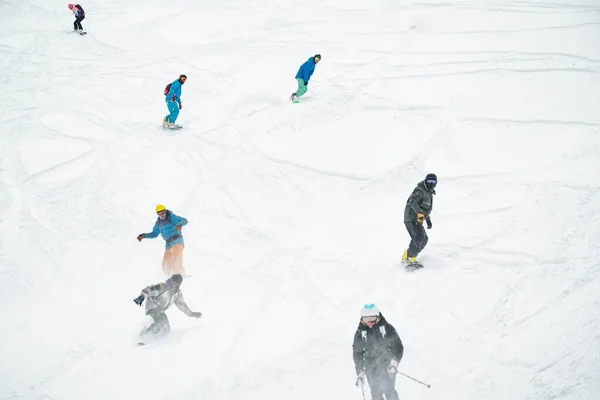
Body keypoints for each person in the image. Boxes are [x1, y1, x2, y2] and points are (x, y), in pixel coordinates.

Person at [353, 304, 404, 400]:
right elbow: (357, 353)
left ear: (378, 317)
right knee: (376, 394)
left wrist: (394, 362)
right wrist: (360, 371)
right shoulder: (360, 333)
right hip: (370, 369)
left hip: (387, 366)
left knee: (389, 391)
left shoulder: (387, 328)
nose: (369, 322)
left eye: (372, 318)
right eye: (366, 319)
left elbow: (398, 346)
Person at [133, 274, 202, 339]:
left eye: (179, 282)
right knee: (162, 321)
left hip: (160, 310)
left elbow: (181, 304)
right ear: (172, 280)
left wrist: (191, 313)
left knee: (166, 328)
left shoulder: (177, 293)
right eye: (176, 282)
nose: (178, 284)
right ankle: (143, 336)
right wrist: (142, 296)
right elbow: (149, 289)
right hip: (152, 306)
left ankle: (155, 339)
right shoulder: (163, 286)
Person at [137, 205, 188, 276]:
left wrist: (179, 225)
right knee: (165, 265)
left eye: (163, 213)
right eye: (159, 214)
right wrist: (144, 235)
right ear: (157, 214)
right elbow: (154, 234)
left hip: (177, 240)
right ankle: (169, 279)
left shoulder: (171, 217)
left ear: (165, 211)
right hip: (168, 244)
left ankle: (182, 276)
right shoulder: (158, 223)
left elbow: (185, 220)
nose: (162, 215)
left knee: (175, 261)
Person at [402, 173, 437, 265]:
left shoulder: (429, 194)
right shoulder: (420, 190)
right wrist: (419, 213)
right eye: (429, 181)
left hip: (418, 220)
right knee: (419, 237)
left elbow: (424, 209)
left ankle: (408, 255)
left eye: (433, 181)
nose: (431, 183)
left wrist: (428, 219)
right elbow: (412, 201)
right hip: (411, 218)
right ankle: (409, 258)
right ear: (425, 181)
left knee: (424, 239)